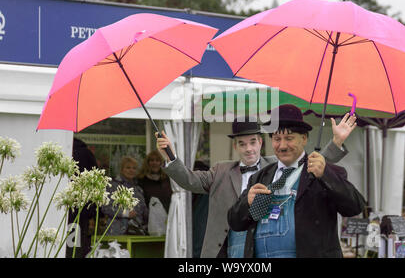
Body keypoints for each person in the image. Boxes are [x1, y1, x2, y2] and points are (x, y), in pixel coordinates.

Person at [156, 110, 357, 258]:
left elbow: (311, 164)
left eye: (253, 142)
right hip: (227, 248)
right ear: (235, 146)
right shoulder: (220, 171)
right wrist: (171, 158)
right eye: (242, 144)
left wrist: (336, 142)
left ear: (261, 142)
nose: (248, 149)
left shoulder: (275, 165)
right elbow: (189, 180)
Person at [227, 104, 366, 258]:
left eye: (289, 138)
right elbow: (235, 223)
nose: (283, 145)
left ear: (304, 138)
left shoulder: (322, 172)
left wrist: (325, 174)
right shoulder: (260, 177)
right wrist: (247, 202)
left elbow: (355, 206)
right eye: (277, 139)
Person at [66, 137, 99, 258]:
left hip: (65, 208)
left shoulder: (64, 150)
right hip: (80, 212)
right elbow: (95, 184)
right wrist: (94, 214)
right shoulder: (86, 153)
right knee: (75, 247)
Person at [102, 156, 148, 235]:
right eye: (128, 167)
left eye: (134, 168)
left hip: (137, 232)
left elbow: (144, 211)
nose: (131, 170)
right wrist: (125, 213)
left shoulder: (138, 189)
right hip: (117, 232)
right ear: (122, 169)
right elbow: (106, 208)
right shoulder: (112, 186)